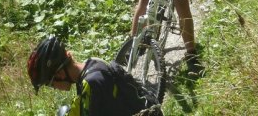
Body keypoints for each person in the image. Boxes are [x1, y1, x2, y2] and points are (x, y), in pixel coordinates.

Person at [27, 35, 163, 116]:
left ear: (60, 73)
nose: (54, 87)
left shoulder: (91, 83)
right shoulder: (92, 64)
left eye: (50, 83)